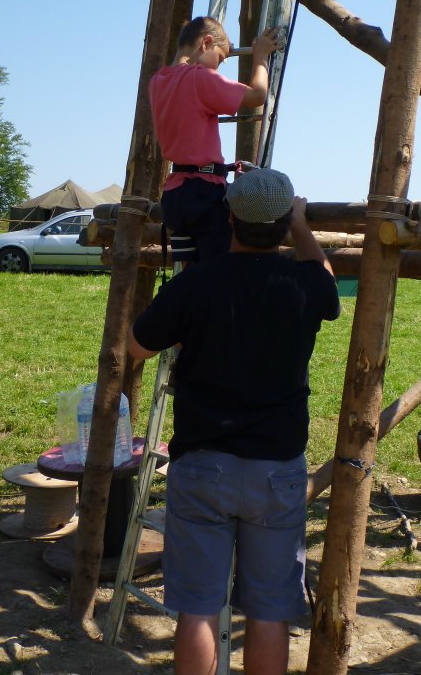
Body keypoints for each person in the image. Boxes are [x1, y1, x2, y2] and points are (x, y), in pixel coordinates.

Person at [128, 168, 340, 675]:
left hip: (202, 465)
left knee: (197, 609)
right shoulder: (303, 282)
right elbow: (328, 285)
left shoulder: (198, 281)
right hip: (277, 469)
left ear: (229, 218)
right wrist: (303, 226)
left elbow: (137, 345)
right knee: (270, 612)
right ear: (284, 223)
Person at [149, 15, 279, 263]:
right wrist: (260, 57)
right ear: (206, 43)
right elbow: (258, 96)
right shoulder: (200, 78)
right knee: (221, 270)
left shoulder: (158, 81)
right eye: (220, 59)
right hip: (204, 193)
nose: (218, 68)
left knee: (192, 272)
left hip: (175, 195)